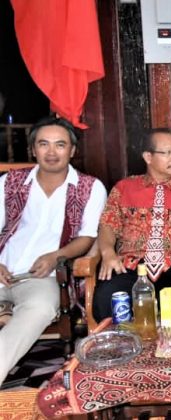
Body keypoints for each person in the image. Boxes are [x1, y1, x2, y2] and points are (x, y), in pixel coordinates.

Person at [0, 116, 106, 384]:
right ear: (33, 149)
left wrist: (55, 256)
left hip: (44, 277)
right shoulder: (9, 182)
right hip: (3, 268)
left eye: (60, 145)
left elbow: (87, 237)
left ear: (72, 150)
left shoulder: (89, 188)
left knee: (40, 308)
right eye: (43, 144)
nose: (51, 152)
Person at [93, 129, 171, 321]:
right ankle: (120, 339)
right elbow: (108, 225)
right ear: (148, 157)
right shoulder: (124, 188)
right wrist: (107, 252)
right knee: (107, 293)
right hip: (132, 265)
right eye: (167, 152)